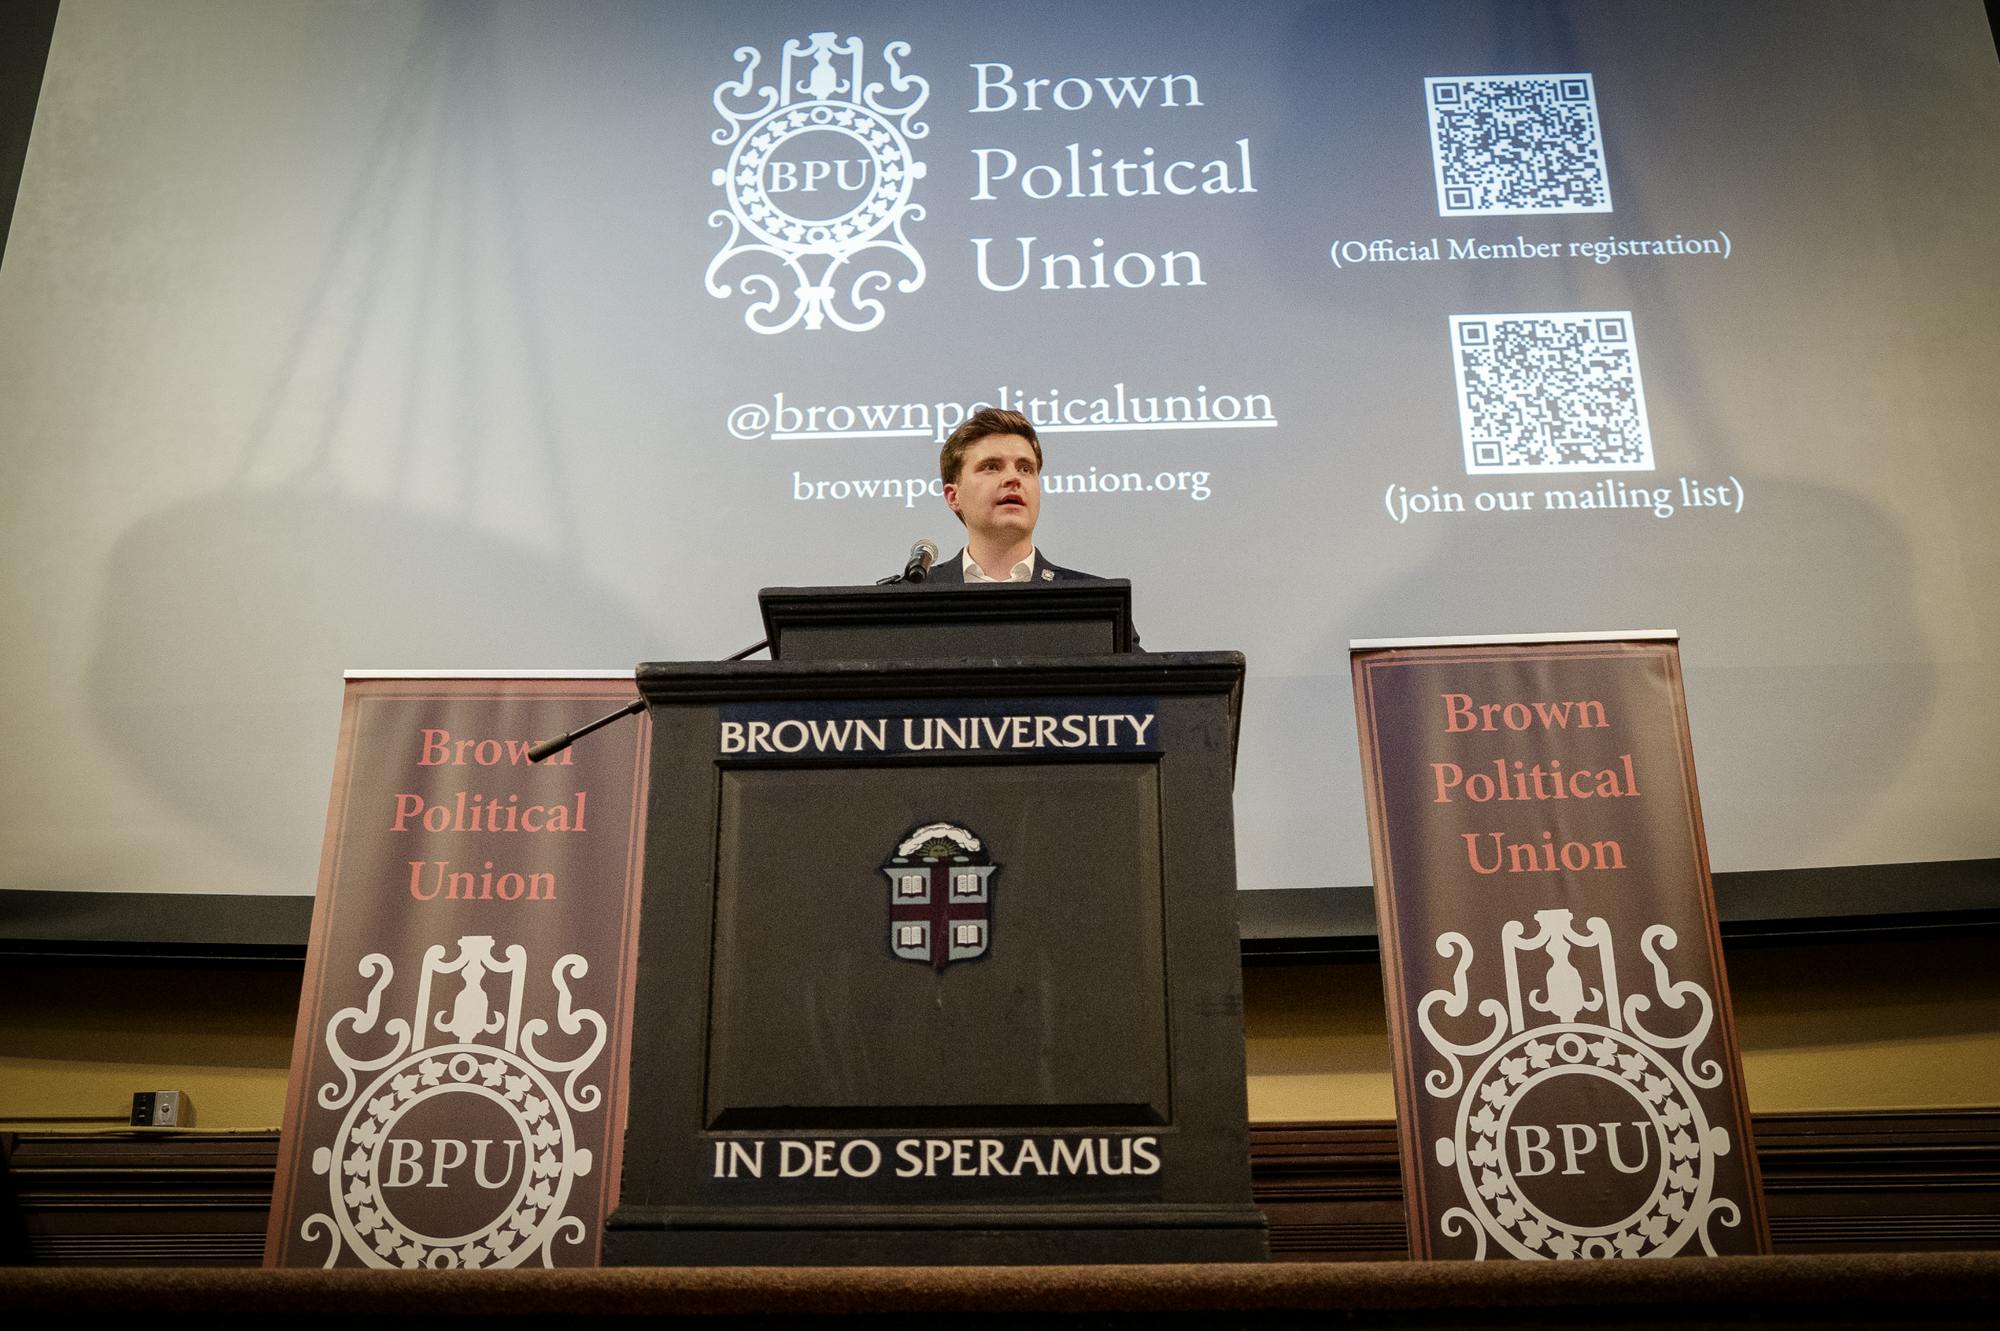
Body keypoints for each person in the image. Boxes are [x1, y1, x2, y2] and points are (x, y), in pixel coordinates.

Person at [924, 408, 1104, 585]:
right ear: (953, 496)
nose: (1013, 478)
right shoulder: (912, 592)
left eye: (1025, 469)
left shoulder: (1094, 598)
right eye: (991, 467)